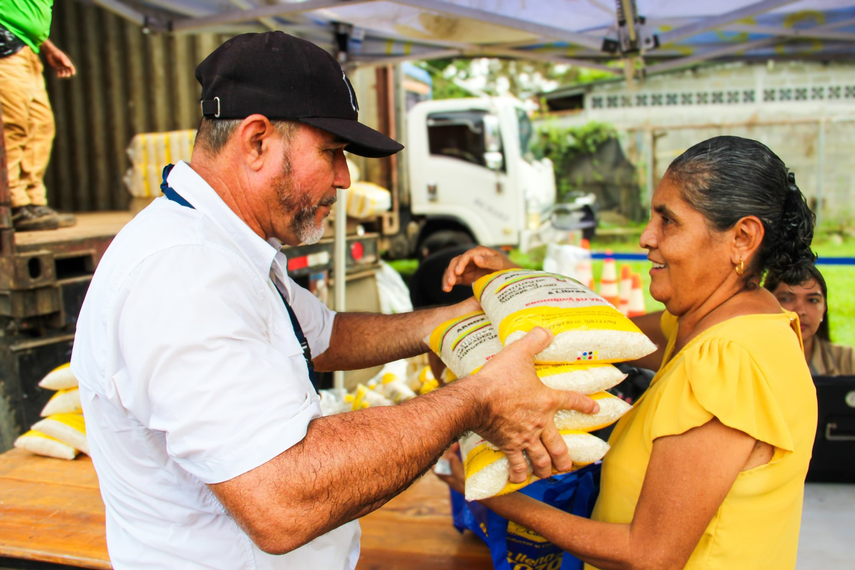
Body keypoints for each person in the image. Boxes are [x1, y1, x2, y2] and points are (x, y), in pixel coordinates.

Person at [69, 32, 598, 569]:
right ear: (256, 141)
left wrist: (451, 320)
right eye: (332, 152)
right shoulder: (184, 274)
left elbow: (324, 336)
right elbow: (281, 502)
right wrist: (476, 399)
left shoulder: (228, 246)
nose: (345, 178)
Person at [437, 136, 818, 569]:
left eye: (668, 221)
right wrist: (515, 281)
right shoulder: (727, 323)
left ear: (742, 237)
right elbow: (601, 333)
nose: (646, 237)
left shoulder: (728, 359)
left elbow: (649, 554)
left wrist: (494, 496)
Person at [0, 0, 77, 231]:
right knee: (13, 126)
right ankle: (14, 204)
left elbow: (26, 14)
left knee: (41, 124)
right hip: (5, 46)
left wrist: (48, 47)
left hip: (28, 48)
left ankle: (33, 201)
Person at [765, 264, 855, 376]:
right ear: (766, 304)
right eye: (787, 299)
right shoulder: (750, 360)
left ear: (824, 308)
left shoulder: (847, 360)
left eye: (812, 300)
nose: (800, 311)